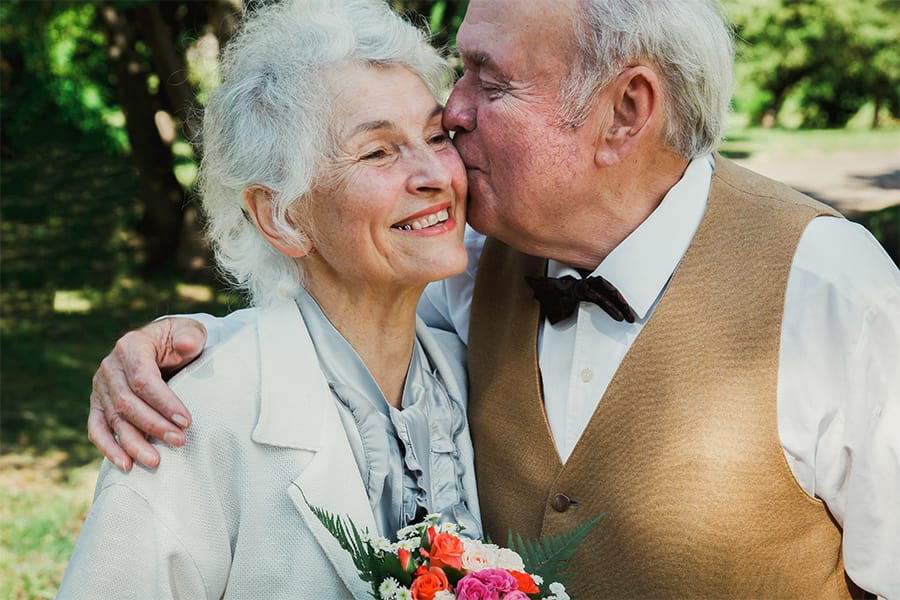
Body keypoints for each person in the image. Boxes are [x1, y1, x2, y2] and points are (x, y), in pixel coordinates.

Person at [88, 0, 900, 597]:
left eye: (489, 82)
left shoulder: (836, 298)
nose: (454, 115)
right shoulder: (470, 270)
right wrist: (189, 349)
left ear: (627, 111)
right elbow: (326, 306)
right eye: (459, 75)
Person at [59, 0, 483, 597]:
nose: (435, 174)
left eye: (437, 136)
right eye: (377, 151)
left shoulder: (471, 377)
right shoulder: (189, 418)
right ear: (280, 217)